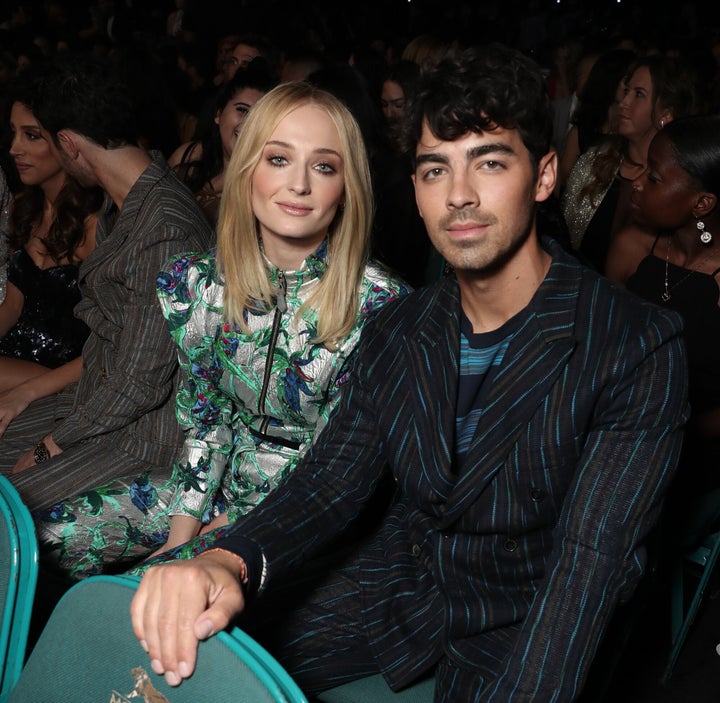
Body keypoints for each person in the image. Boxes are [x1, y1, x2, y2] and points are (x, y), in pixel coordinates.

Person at [130, 44, 688, 702]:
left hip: (520, 618)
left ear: (543, 177)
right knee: (186, 654)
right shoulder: (400, 326)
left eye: (489, 162)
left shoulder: (635, 345)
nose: (459, 195)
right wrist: (227, 557)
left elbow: (587, 568)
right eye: (434, 170)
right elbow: (330, 480)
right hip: (399, 584)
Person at [35, 81, 409, 580]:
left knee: (153, 591)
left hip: (299, 515)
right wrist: (177, 540)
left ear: (346, 189)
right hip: (204, 484)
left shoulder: (381, 306)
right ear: (247, 168)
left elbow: (329, 472)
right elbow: (206, 427)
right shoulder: (196, 283)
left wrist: (180, 561)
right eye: (278, 159)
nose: (299, 184)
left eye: (323, 166)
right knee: (49, 539)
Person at [0, 53, 213, 511]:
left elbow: (140, 381)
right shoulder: (126, 203)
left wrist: (49, 445)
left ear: (68, 144)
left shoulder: (162, 231)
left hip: (138, 436)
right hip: (93, 405)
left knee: (8, 512)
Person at [606, 115, 720, 538]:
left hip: (692, 449)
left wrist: (671, 427)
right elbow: (603, 347)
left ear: (701, 204)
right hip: (620, 427)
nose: (636, 182)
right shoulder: (632, 247)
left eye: (653, 177)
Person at [0, 74, 103, 437]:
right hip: (14, 358)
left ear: (65, 143)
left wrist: (30, 389)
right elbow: (12, 308)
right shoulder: (25, 209)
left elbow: (111, 345)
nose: (14, 148)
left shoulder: (95, 226)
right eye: (13, 134)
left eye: (31, 136)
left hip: (64, 373)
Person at [562, 54, 701, 272]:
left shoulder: (679, 180)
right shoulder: (596, 158)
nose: (623, 103)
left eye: (639, 94)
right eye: (626, 92)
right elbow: (565, 235)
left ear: (666, 113)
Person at [168, 60, 278, 226]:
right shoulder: (190, 155)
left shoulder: (267, 187)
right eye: (242, 110)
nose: (249, 124)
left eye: (260, 117)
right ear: (218, 114)